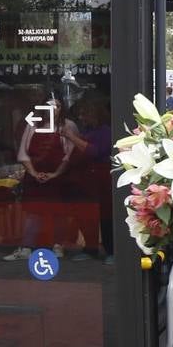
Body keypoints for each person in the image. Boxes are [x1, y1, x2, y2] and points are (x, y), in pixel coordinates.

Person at [3, 95, 77, 261]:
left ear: (62, 108)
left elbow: (70, 154)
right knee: (33, 213)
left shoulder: (68, 126)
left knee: (59, 213)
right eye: (49, 106)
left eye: (57, 106)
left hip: (59, 178)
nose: (53, 109)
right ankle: (27, 247)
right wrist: (34, 173)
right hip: (34, 176)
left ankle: (58, 245)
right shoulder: (33, 125)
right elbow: (23, 153)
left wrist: (56, 174)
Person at [62, 97, 114, 264]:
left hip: (101, 179)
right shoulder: (88, 131)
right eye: (81, 115)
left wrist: (72, 137)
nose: (82, 118)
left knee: (106, 216)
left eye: (85, 114)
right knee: (86, 215)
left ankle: (111, 250)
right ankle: (90, 248)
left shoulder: (105, 131)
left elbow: (94, 151)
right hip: (85, 179)